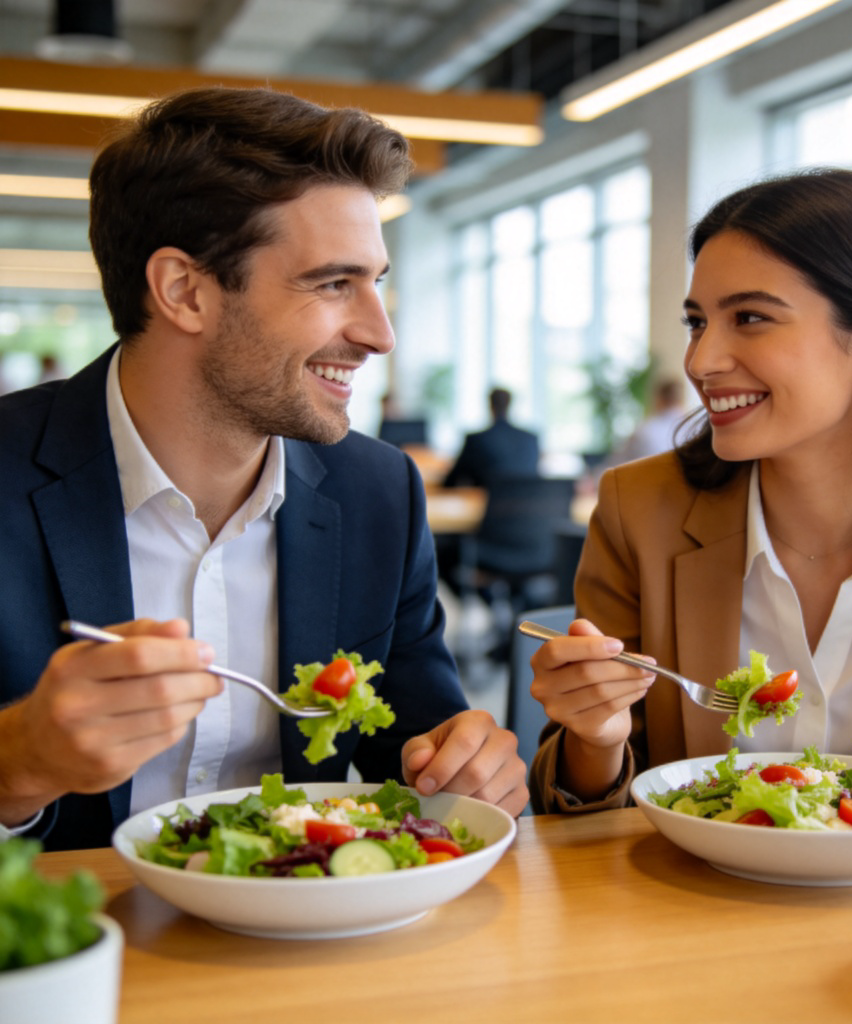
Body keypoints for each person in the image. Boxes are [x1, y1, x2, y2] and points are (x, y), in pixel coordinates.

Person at [0, 85, 527, 851]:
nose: (380, 335)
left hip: (303, 944)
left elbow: (421, 758)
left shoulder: (377, 493)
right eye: (332, 283)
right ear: (185, 291)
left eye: (375, 283)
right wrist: (18, 765)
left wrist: (472, 770)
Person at [528, 167, 852, 815]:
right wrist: (598, 735)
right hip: (696, 904)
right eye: (698, 322)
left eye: (751, 318)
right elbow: (574, 804)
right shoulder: (639, 509)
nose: (701, 361)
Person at [442, 387, 540, 488]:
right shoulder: (531, 439)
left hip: (485, 502)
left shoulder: (476, 440)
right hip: (526, 502)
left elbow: (451, 481)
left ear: (490, 405)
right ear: (510, 404)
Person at [603, 377, 688, 467]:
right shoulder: (694, 430)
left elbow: (614, 465)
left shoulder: (643, 431)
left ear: (658, 399)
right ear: (682, 398)